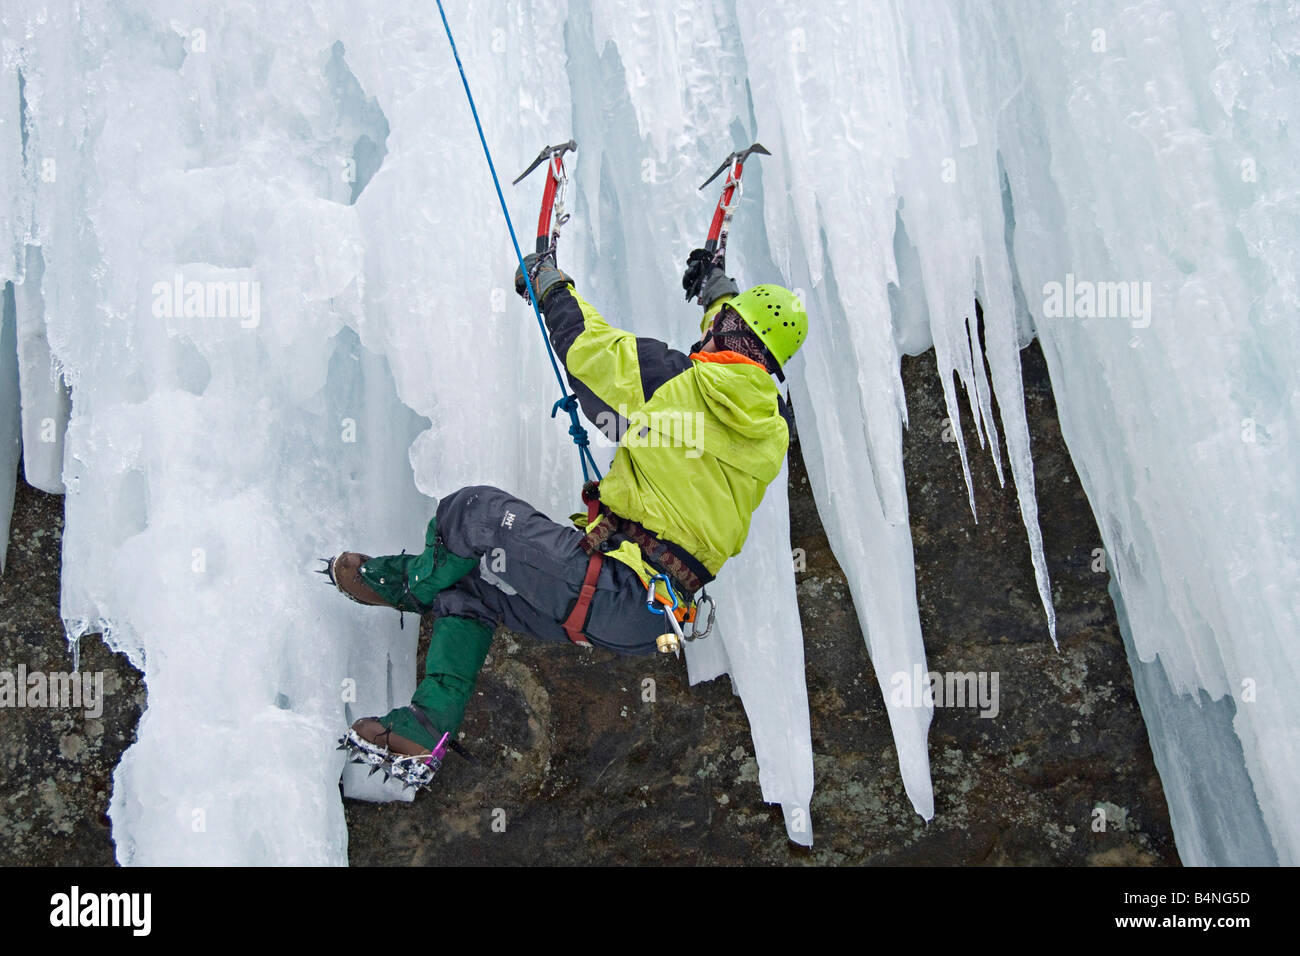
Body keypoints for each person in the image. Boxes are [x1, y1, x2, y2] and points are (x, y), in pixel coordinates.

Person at [325, 249, 808, 787]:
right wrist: (717, 291)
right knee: (472, 587)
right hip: (649, 621)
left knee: (472, 512)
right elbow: (743, 352)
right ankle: (422, 729)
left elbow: (589, 354)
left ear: (727, 333)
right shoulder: (772, 429)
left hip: (615, 584)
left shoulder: (678, 381)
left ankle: (405, 583)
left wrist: (551, 286)